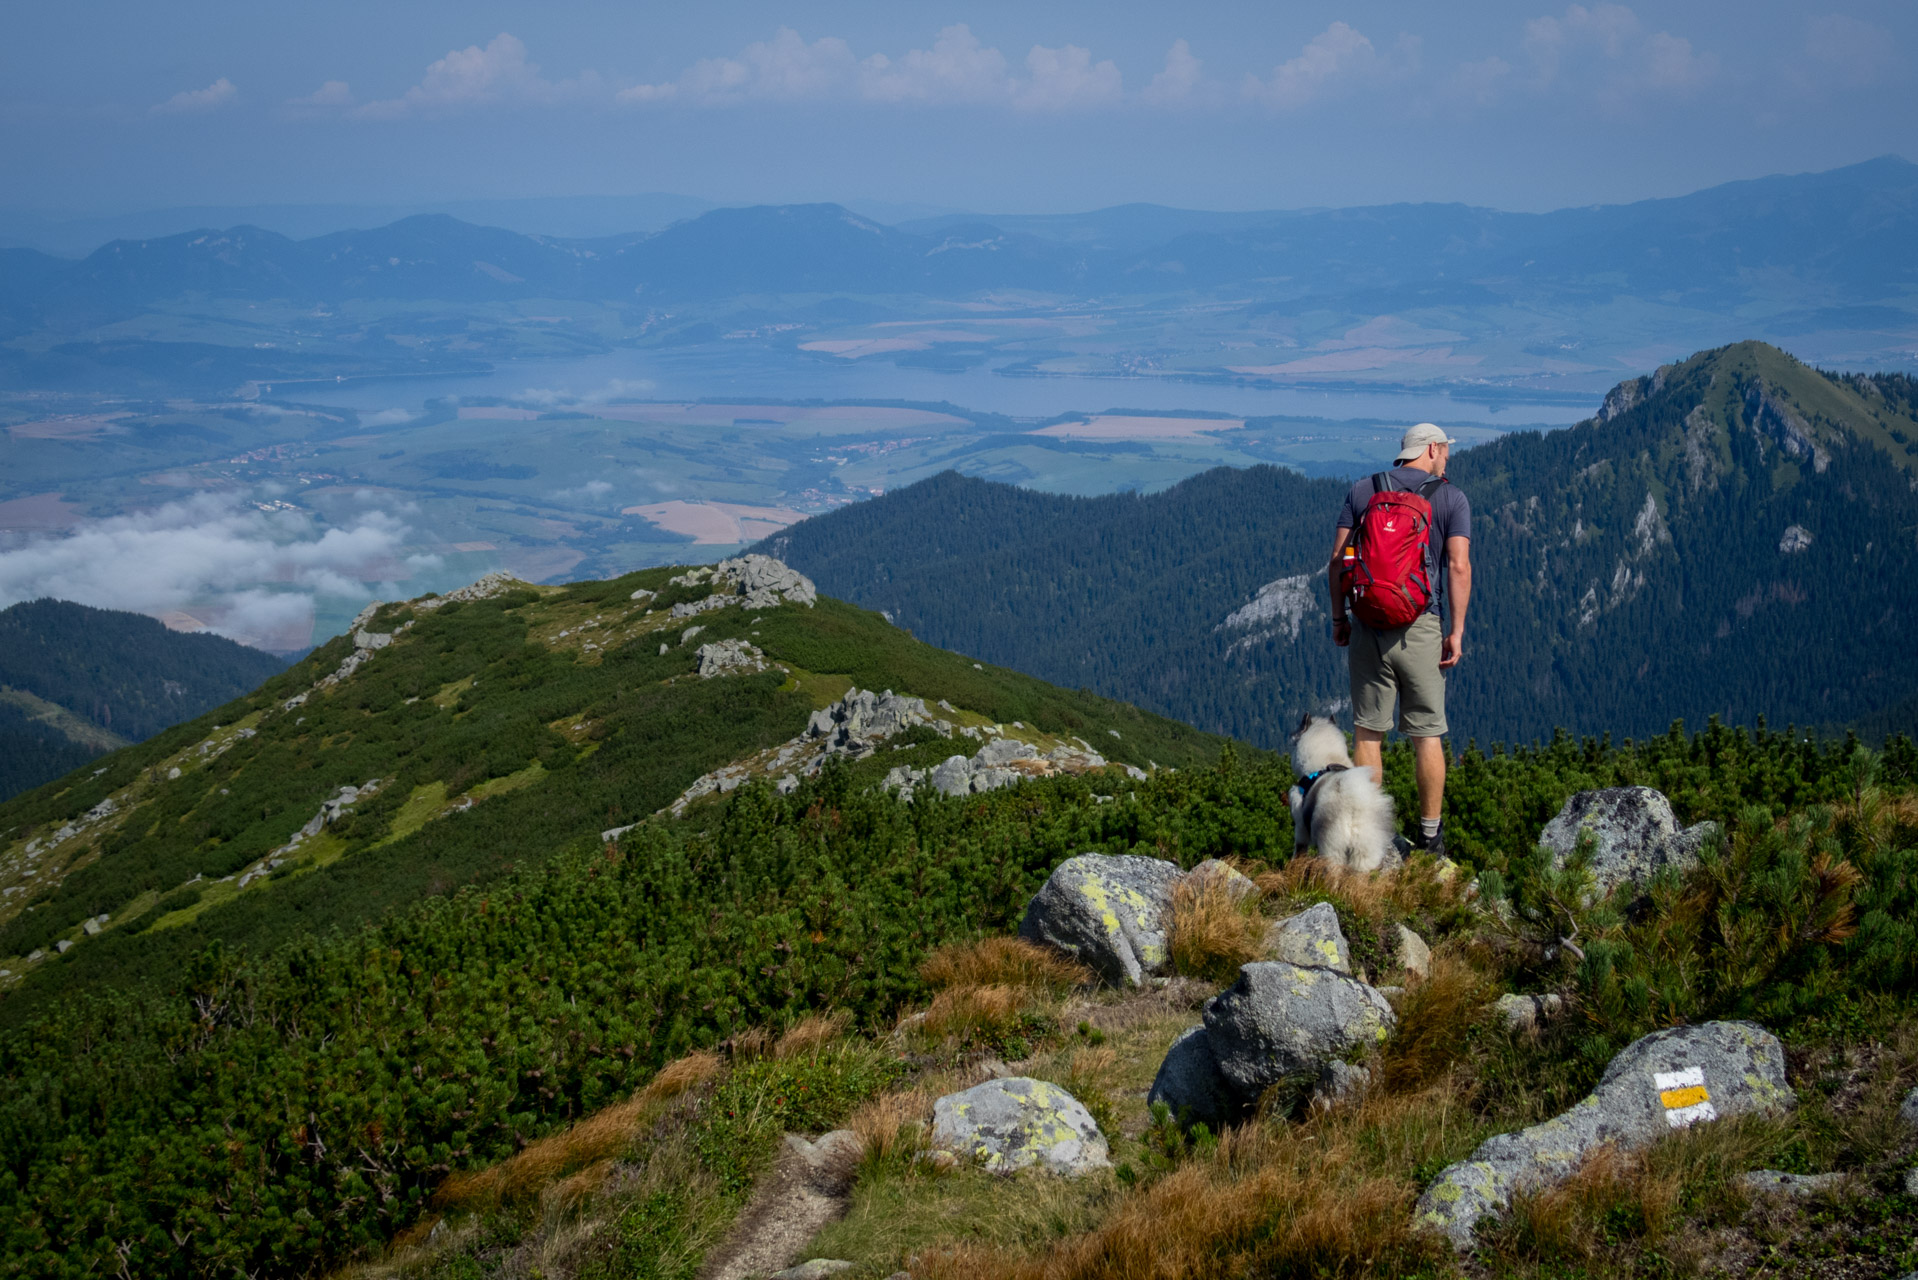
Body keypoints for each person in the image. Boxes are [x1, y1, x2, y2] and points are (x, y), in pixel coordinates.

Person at [1327, 422, 1472, 856]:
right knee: (1426, 734)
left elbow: (1337, 562)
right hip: (1421, 628)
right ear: (1431, 449)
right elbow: (1459, 567)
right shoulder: (1451, 498)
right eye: (1445, 450)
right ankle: (1430, 838)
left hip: (1368, 626)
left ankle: (1372, 837)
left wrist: (1340, 618)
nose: (1447, 457)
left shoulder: (1362, 490)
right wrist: (1456, 632)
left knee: (1369, 732)